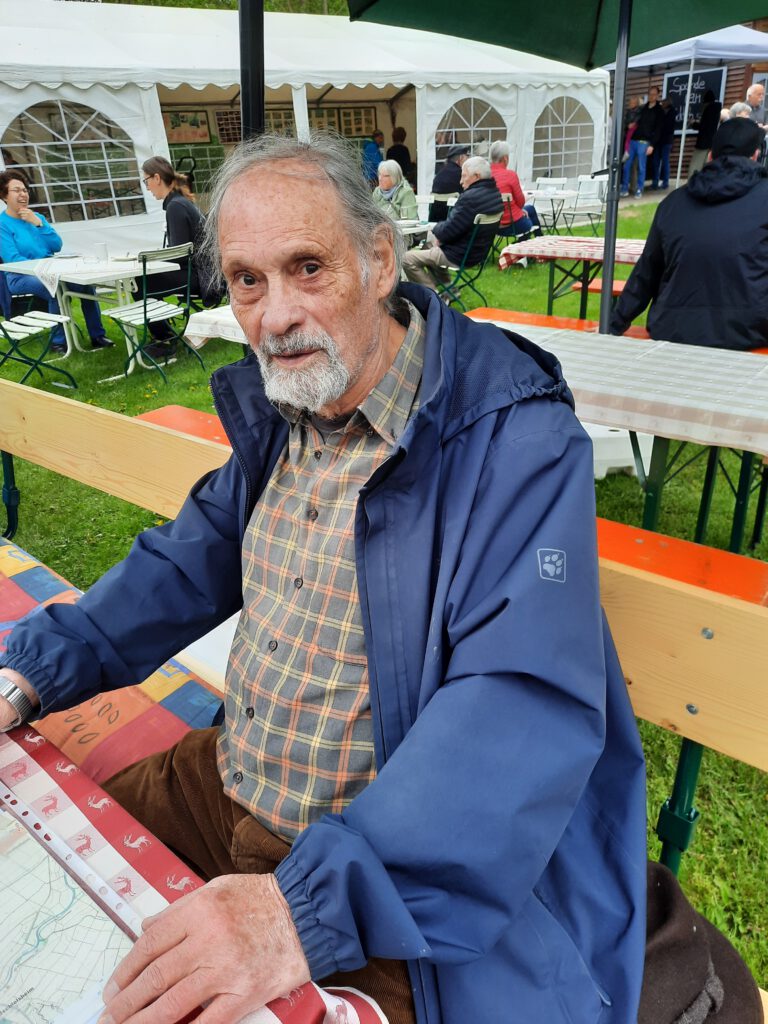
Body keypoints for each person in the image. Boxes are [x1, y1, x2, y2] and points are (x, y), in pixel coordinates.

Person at [0, 132, 647, 1024]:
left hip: (378, 874)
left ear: (379, 261)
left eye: (307, 268)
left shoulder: (515, 443)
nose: (274, 316)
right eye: (246, 280)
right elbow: (184, 561)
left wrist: (297, 911)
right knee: (33, 882)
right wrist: (30, 669)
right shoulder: (288, 411)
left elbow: (520, 704)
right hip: (225, 783)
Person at [610, 117, 768, 350]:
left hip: (674, 329)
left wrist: (613, 324)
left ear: (711, 156)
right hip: (747, 333)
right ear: (755, 156)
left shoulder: (673, 202)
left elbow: (646, 272)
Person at [0, 169, 111, 354]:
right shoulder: (2, 224)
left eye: (25, 190)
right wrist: (45, 269)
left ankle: (97, 336)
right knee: (55, 288)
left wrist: (38, 223)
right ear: (4, 196)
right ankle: (59, 341)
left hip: (51, 270)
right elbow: (13, 259)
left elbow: (56, 245)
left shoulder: (37, 218)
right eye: (16, 190)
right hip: (20, 276)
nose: (23, 194)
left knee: (85, 286)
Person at [141, 155, 221, 359]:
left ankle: (164, 339)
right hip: (207, 274)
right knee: (146, 280)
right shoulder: (179, 202)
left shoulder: (176, 206)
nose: (147, 187)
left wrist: (152, 260)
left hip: (201, 278)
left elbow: (179, 254)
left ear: (157, 178)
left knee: (142, 282)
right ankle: (164, 333)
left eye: (146, 181)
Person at [401, 155, 503, 291]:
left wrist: (436, 229)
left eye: (464, 176)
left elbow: (447, 231)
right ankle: (448, 287)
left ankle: (432, 296)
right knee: (427, 246)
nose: (460, 181)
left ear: (477, 176)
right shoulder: (495, 195)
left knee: (406, 258)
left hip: (458, 255)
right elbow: (457, 227)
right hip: (477, 254)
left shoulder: (470, 198)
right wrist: (441, 237)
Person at [489, 140, 542, 237]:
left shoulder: (485, 175)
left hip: (491, 224)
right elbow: (520, 202)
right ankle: (538, 240)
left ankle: (536, 240)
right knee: (529, 221)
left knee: (530, 209)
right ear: (505, 158)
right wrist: (519, 210)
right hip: (511, 223)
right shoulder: (510, 175)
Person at [621, 87, 663, 198]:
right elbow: (634, 117)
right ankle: (624, 188)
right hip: (633, 140)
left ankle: (639, 189)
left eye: (654, 94)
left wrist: (652, 145)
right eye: (650, 93)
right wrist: (631, 125)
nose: (651, 96)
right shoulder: (643, 108)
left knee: (641, 167)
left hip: (644, 142)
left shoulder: (659, 111)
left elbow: (658, 129)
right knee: (626, 165)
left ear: (658, 95)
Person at [428, 143, 469, 221]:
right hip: (454, 220)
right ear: (461, 158)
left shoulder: (439, 174)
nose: (468, 159)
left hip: (435, 219)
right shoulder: (462, 174)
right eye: (467, 156)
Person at [688, 90, 722, 178]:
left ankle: (693, 182)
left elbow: (704, 126)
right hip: (711, 141)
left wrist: (693, 124)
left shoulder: (708, 109)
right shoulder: (717, 109)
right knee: (706, 165)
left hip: (703, 142)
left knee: (695, 165)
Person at [649, 98, 676, 191]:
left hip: (666, 141)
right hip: (659, 141)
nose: (662, 104)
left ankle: (665, 182)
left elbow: (668, 127)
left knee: (664, 162)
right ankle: (656, 182)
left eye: (663, 103)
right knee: (656, 162)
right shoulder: (662, 112)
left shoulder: (671, 113)